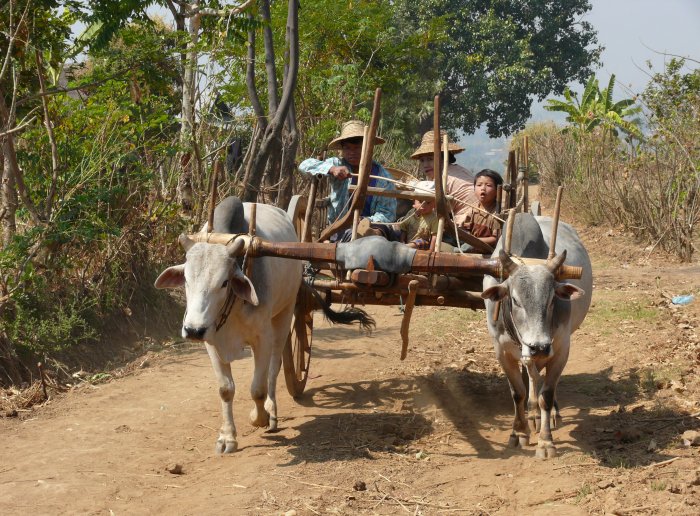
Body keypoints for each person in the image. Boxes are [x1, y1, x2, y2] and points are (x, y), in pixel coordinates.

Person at [298, 120, 397, 241]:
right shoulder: (337, 163)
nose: (352, 152)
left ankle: (371, 235)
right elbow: (304, 165)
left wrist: (366, 222)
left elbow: (387, 213)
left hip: (372, 227)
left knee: (383, 232)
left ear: (368, 147)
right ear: (342, 150)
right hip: (340, 227)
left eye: (357, 148)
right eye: (347, 148)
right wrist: (331, 169)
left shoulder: (384, 177)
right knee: (351, 236)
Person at [410, 130, 476, 227]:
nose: (425, 165)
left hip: (467, 220)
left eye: (430, 159)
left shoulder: (442, 178)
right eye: (422, 160)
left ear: (444, 157)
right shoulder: (459, 170)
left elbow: (431, 208)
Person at [460, 169, 504, 250]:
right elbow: (466, 229)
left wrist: (473, 242)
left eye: (488, 185)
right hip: (472, 247)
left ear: (498, 191)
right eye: (479, 185)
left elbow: (496, 239)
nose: (483, 188)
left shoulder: (499, 213)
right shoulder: (473, 209)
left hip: (490, 252)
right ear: (474, 189)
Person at [397, 181, 440, 250]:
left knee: (420, 242)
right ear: (414, 201)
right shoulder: (411, 213)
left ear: (434, 204)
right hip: (408, 242)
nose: (423, 206)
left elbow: (434, 236)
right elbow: (404, 229)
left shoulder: (433, 218)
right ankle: (403, 246)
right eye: (420, 201)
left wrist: (431, 251)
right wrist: (402, 241)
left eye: (428, 203)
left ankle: (403, 248)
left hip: (422, 246)